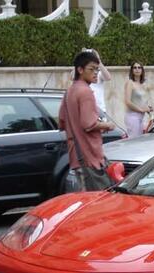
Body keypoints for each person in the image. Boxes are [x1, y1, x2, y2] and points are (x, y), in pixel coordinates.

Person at [59, 51, 115, 191]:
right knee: (97, 203)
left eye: (97, 69)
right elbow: (89, 124)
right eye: (91, 69)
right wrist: (108, 125)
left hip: (76, 156)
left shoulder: (70, 90)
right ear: (80, 70)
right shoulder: (86, 92)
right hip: (89, 156)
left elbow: (62, 121)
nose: (95, 73)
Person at [124, 62, 152, 138]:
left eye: (139, 67)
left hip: (141, 117)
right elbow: (127, 102)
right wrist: (141, 110)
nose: (137, 69)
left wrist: (148, 108)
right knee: (134, 141)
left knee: (140, 141)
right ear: (132, 70)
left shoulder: (143, 84)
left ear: (142, 70)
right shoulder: (130, 83)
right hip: (132, 117)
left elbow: (141, 101)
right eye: (135, 68)